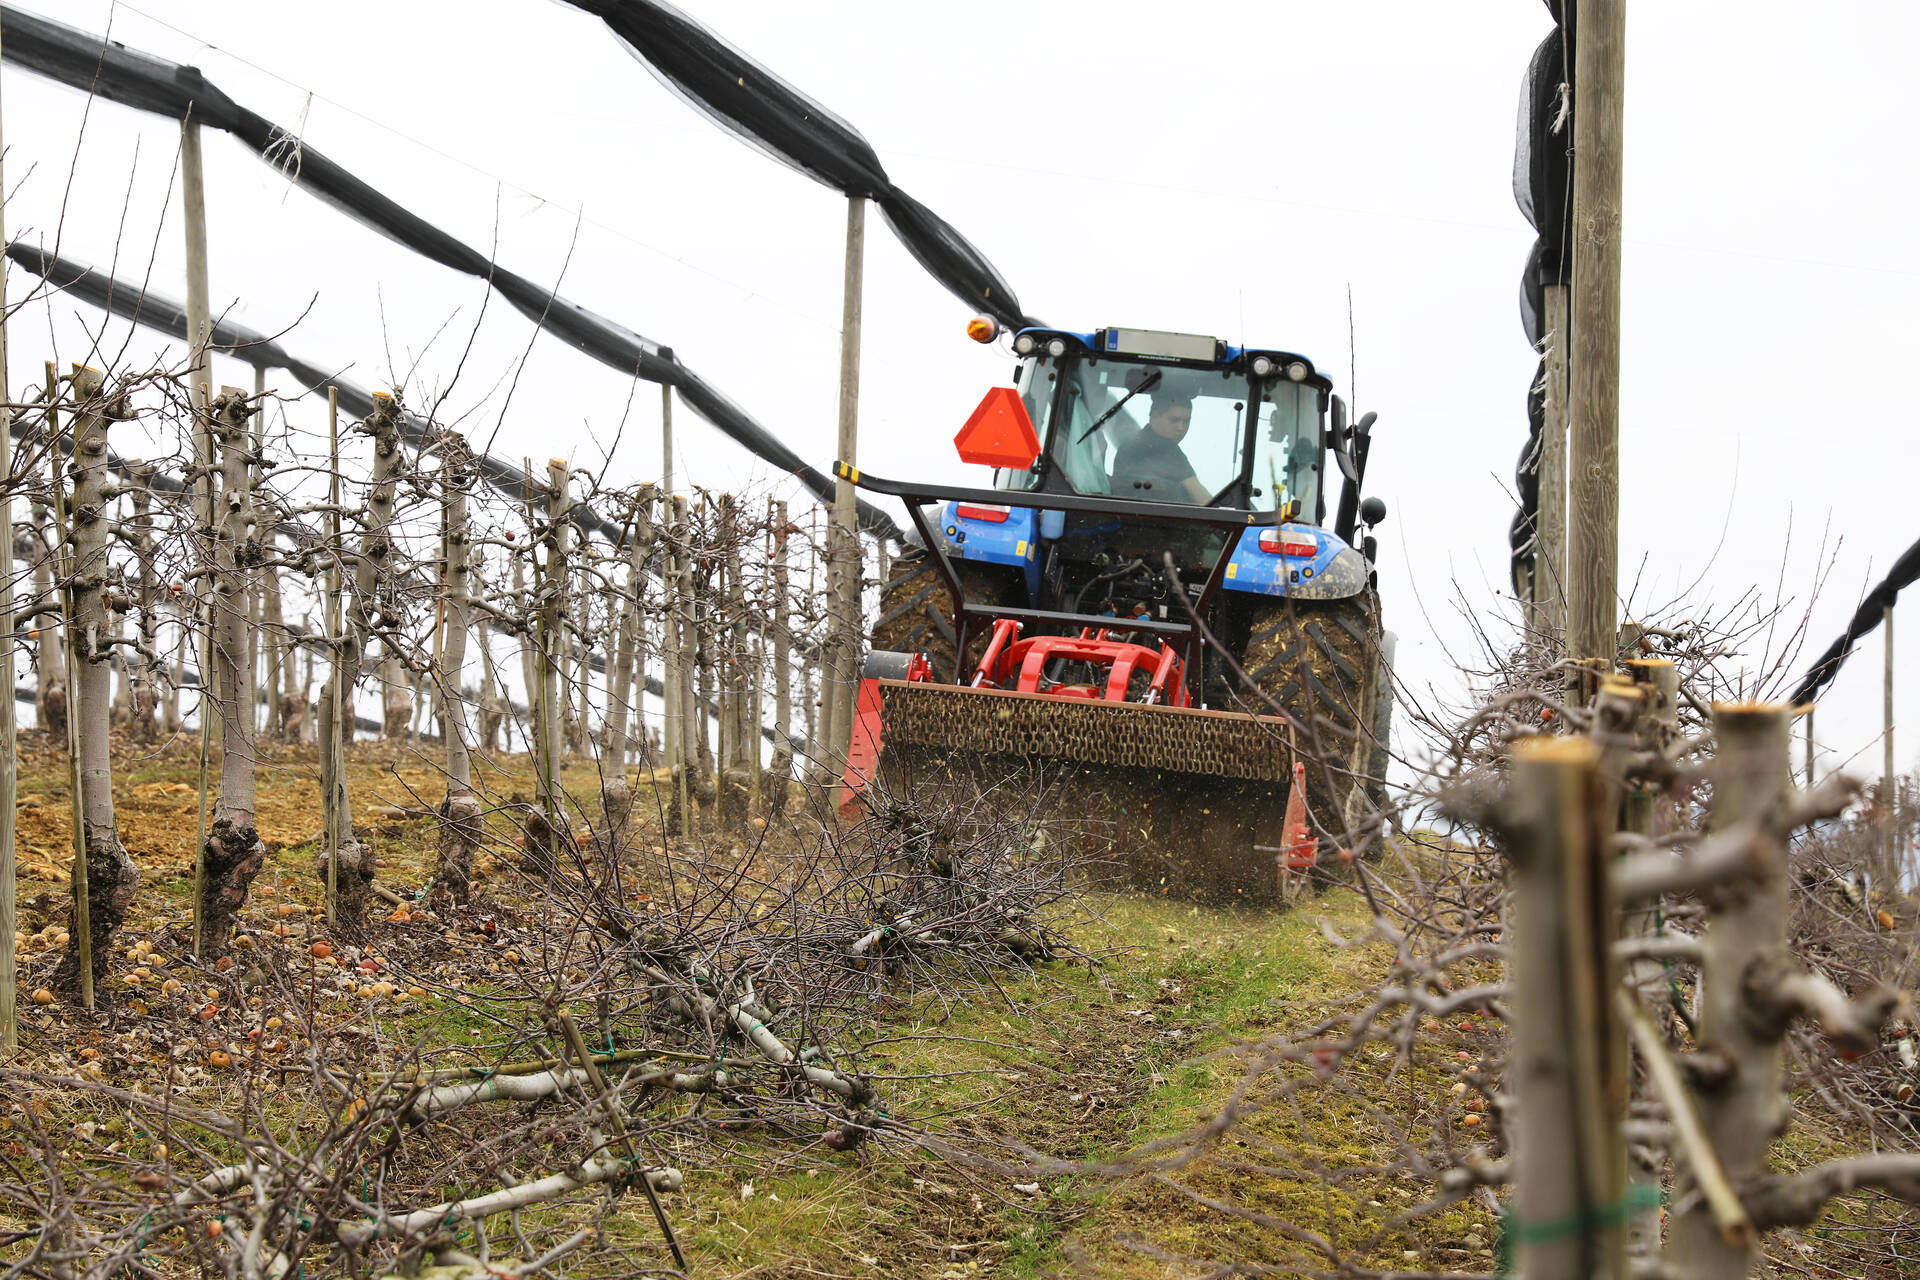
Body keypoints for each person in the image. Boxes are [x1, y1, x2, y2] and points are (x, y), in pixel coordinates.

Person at [1111, 395, 1210, 504]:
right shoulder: (1167, 450)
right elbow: (1201, 498)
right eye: (1174, 420)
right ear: (1154, 416)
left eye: (1186, 421)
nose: (1181, 428)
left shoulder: (1129, 444)